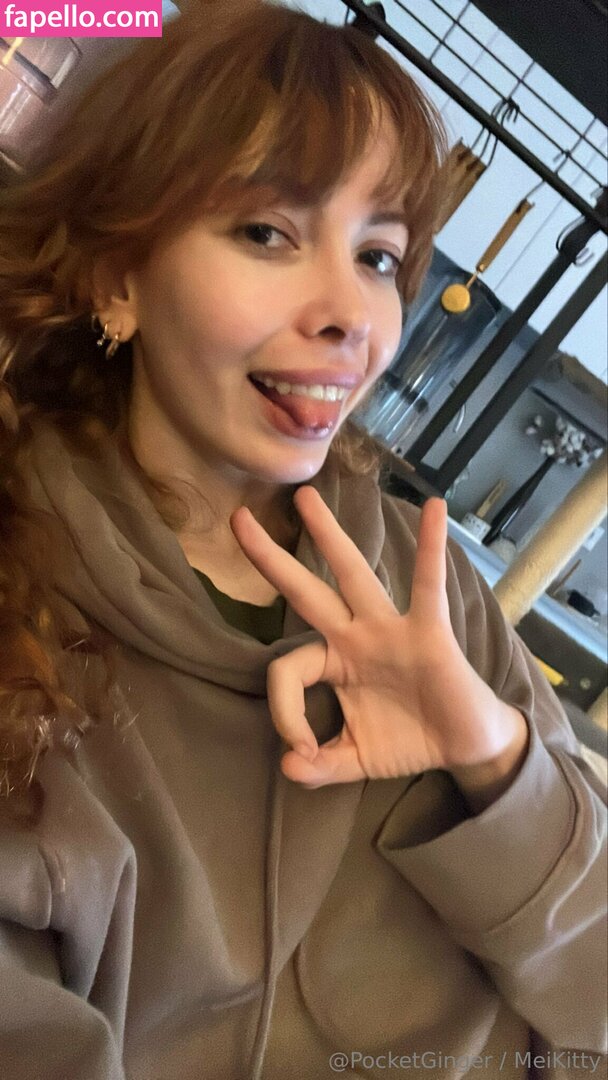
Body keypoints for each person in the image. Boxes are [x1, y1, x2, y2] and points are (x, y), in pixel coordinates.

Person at [0, 3, 606, 1078]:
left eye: (378, 255)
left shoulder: (420, 579)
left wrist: (496, 761)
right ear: (118, 279)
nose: (350, 314)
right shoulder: (26, 616)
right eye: (267, 233)